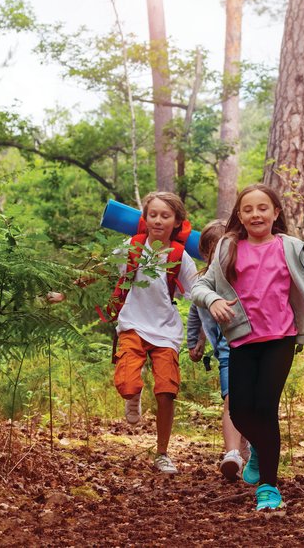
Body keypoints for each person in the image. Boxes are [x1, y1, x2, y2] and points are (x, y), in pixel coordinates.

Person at [191, 184, 304, 515]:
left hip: (281, 338)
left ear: (275, 213)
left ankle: (268, 486)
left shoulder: (290, 247)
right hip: (242, 339)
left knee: (265, 408)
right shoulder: (228, 246)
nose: (256, 214)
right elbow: (200, 286)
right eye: (248, 209)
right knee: (239, 412)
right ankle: (264, 451)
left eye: (263, 208)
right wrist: (214, 300)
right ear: (239, 215)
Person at [107, 191, 198, 475]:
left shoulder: (180, 257)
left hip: (166, 331)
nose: (158, 220)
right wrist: (69, 289)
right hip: (133, 323)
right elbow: (102, 272)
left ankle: (162, 453)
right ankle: (134, 395)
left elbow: (197, 291)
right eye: (153, 214)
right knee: (127, 386)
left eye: (165, 216)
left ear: (177, 221)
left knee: (166, 391)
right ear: (145, 218)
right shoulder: (131, 247)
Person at [186, 219, 248, 481]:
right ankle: (232, 453)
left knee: (254, 403)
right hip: (226, 350)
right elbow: (195, 313)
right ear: (205, 253)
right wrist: (195, 341)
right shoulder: (201, 282)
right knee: (231, 401)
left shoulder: (241, 274)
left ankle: (250, 451)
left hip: (252, 344)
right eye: (214, 250)